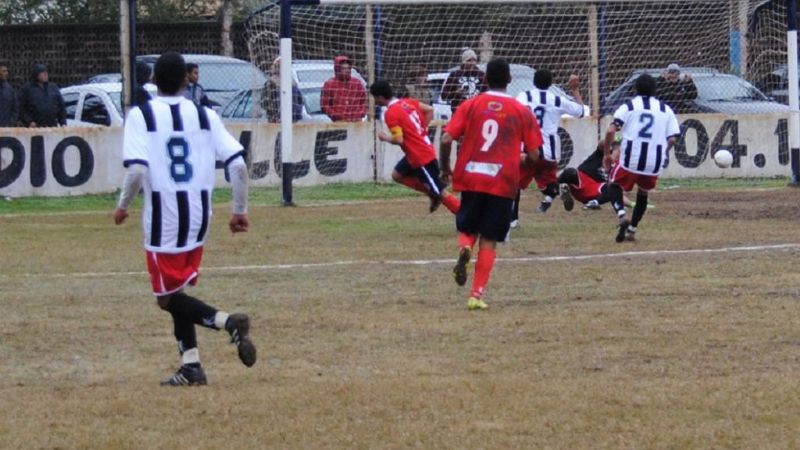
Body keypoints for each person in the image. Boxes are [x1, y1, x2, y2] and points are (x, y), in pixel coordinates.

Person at [113, 52, 256, 386]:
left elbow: (136, 169)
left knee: (166, 298)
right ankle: (191, 366)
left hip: (165, 217)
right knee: (177, 292)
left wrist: (123, 205)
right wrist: (239, 210)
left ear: (153, 82)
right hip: (199, 215)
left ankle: (227, 322)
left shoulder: (141, 115)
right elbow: (237, 165)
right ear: (185, 80)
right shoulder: (206, 115)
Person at [439, 58, 543, 310]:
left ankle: (465, 249)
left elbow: (445, 139)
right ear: (509, 80)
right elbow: (535, 155)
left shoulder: (471, 104)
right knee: (489, 238)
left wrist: (445, 168)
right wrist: (520, 162)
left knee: (468, 227)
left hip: (472, 174)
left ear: (485, 79)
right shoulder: (521, 111)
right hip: (502, 179)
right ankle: (476, 295)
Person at [604, 73, 680, 243]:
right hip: (653, 162)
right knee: (643, 193)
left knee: (613, 184)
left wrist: (606, 154)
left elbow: (610, 131)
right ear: (655, 90)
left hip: (631, 158)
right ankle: (632, 230)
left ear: (635, 89)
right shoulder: (666, 109)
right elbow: (673, 138)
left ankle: (622, 215)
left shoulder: (629, 106)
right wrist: (664, 152)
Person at [370, 80, 460, 214]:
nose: (375, 101)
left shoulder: (391, 113)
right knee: (397, 175)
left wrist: (385, 138)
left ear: (380, 97)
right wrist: (421, 130)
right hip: (417, 152)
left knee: (441, 192)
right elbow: (429, 110)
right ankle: (431, 193)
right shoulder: (408, 102)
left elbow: (399, 139)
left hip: (420, 157)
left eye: (374, 98)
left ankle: (467, 218)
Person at [515, 69, 585, 220]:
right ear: (550, 83)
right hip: (549, 152)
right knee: (548, 185)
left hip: (528, 150)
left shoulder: (523, 96)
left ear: (534, 82)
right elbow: (580, 112)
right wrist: (575, 89)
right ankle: (558, 189)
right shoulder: (557, 99)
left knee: (514, 186)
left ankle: (513, 220)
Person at [320, 55, 367, 122]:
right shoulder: (329, 85)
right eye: (343, 68)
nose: (347, 71)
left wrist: (360, 113)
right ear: (337, 69)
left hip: (356, 121)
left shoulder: (357, 83)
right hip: (339, 122)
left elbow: (364, 101)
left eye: (348, 68)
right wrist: (336, 115)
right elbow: (325, 105)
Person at [18, 63, 65, 127]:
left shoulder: (53, 87)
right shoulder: (27, 89)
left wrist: (63, 122)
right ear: (36, 75)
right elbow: (21, 108)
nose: (46, 74)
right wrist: (29, 121)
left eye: (46, 72)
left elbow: (61, 106)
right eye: (42, 72)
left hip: (52, 126)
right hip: (35, 127)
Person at [441, 48, 486, 114]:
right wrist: (455, 93)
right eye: (469, 60)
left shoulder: (481, 75)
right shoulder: (455, 75)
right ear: (464, 61)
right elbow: (444, 96)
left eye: (474, 60)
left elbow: (487, 93)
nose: (472, 63)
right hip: (459, 112)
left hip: (476, 112)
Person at [262, 57, 304, 123]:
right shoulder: (272, 83)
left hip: (289, 117)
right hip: (280, 118)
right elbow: (265, 102)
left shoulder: (291, 82)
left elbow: (299, 99)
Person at [0, 62, 18, 127]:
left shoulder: (9, 89)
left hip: (6, 127)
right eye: (4, 71)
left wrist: (11, 123)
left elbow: (15, 107)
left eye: (7, 71)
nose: (6, 73)